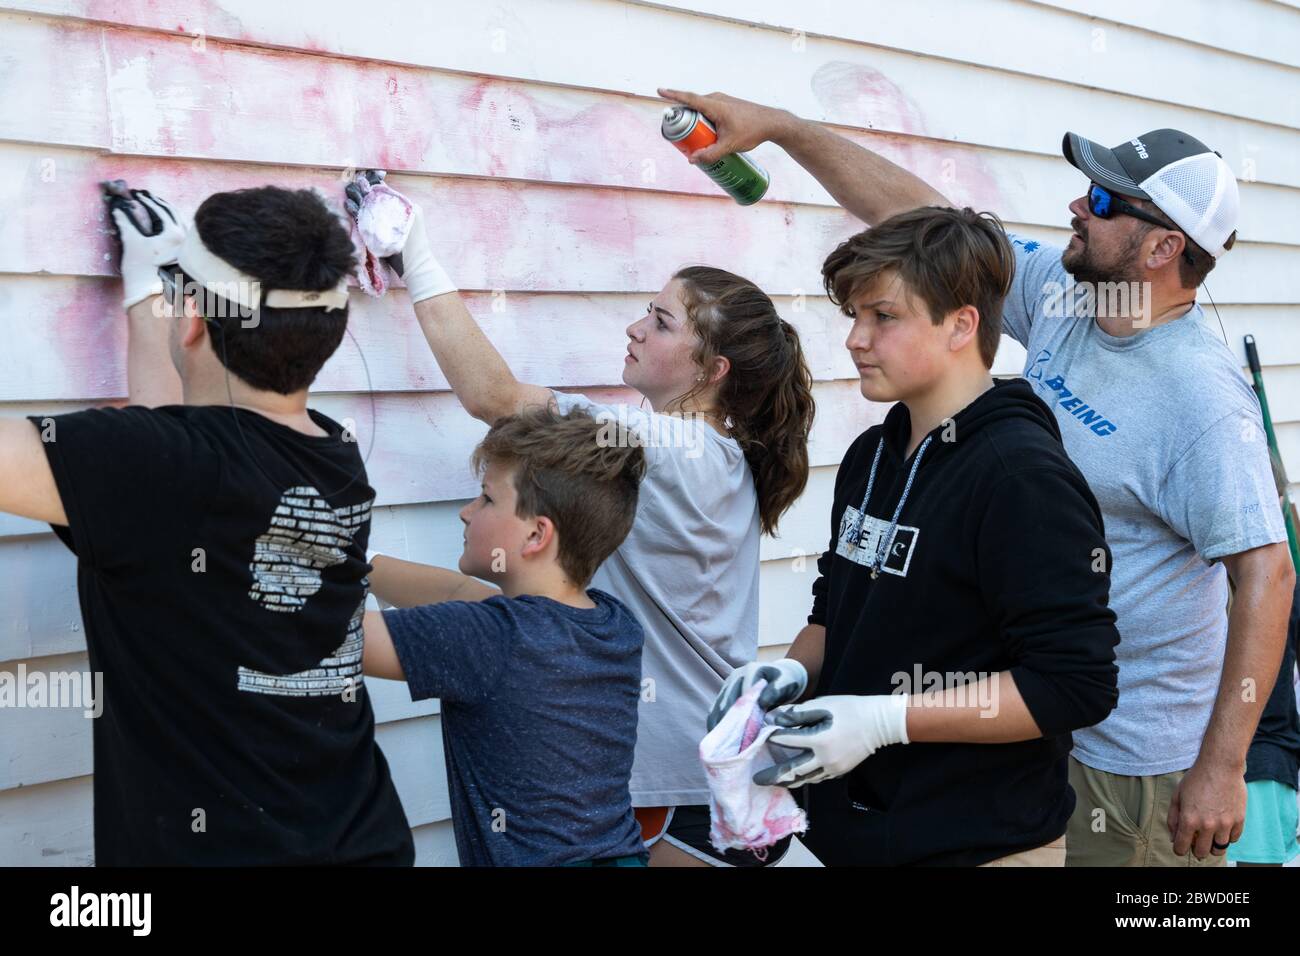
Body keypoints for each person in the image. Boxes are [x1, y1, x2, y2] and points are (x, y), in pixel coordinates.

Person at [669, 87, 1294, 866]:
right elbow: (929, 226)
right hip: (1012, 726)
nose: (1078, 204)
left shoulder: (1202, 399)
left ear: (1163, 248)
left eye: (1102, 200)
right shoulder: (1072, 298)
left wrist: (1224, 766)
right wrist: (788, 131)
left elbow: (1267, 574)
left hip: (1132, 755)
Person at [356, 174, 817, 866]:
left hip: (680, 790)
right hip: (702, 773)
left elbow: (495, 398)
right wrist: (354, 565)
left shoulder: (675, 452)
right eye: (645, 311)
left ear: (711, 370)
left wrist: (414, 249)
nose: (635, 328)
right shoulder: (704, 455)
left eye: (662, 322)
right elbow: (495, 613)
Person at [0, 185, 413, 864]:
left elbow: (160, 456)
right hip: (360, 841)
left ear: (191, 319)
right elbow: (175, 442)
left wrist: (158, 284)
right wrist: (154, 284)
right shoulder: (335, 459)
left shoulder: (167, 471)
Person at [712, 205, 1120, 866]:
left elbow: (1073, 686)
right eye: (854, 316)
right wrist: (787, 673)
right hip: (848, 838)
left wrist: (884, 721)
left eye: (884, 316)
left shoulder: (1022, 478)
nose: (855, 339)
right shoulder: (871, 455)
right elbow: (834, 612)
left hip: (980, 845)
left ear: (961, 324)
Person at [362, 405, 650, 866]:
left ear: (536, 534)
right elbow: (461, 594)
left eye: (486, 499)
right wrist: (351, 556)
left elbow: (327, 637)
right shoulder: (612, 625)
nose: (465, 512)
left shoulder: (490, 639)